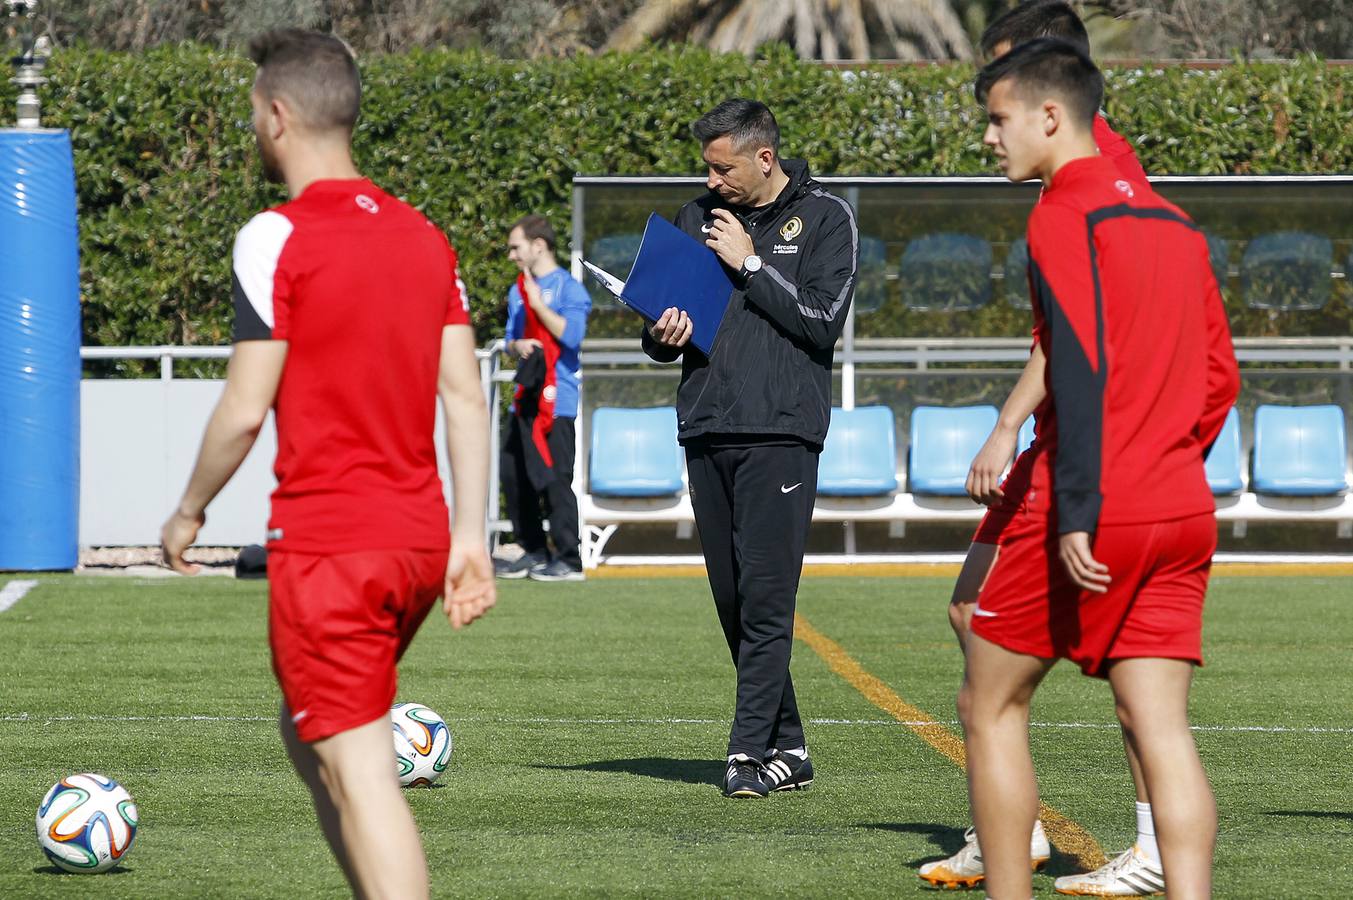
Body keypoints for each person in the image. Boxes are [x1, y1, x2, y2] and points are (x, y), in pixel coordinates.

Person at [159, 29, 496, 899]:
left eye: (251, 115)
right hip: (417, 542)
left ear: (275, 116)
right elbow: (464, 396)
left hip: (333, 547)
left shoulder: (275, 237)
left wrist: (188, 510)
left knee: (360, 766)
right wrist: (470, 540)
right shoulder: (425, 237)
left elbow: (242, 409)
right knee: (308, 733)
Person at [955, 38, 1239, 900]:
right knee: (1163, 732)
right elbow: (1222, 379)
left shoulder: (1059, 213)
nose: (989, 139)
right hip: (1181, 508)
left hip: (1089, 505)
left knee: (988, 705)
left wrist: (1080, 501)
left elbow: (1072, 358)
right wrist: (1165, 465)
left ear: (1050, 115)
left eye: (997, 120)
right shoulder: (1176, 223)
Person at [918, 3, 1161, 893]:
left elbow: (1078, 337)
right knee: (969, 613)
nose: (989, 116)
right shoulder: (1069, 184)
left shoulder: (1098, 177)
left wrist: (1008, 420)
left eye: (998, 95)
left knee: (1133, 671)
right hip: (1064, 439)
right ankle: (1008, 828)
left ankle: (1147, 844)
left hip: (1085, 452)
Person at [643, 99, 857, 798]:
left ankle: (743, 756)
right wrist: (662, 332)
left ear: (763, 158)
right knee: (734, 603)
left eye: (721, 167)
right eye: (705, 167)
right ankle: (788, 748)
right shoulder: (692, 218)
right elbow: (660, 328)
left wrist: (752, 263)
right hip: (705, 423)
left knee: (766, 601)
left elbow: (822, 323)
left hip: (781, 431)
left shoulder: (826, 217)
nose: (709, 182)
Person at [494, 214, 592, 582]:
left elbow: (572, 336)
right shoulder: (516, 290)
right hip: (524, 398)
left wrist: (538, 306)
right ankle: (533, 550)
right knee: (513, 472)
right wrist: (514, 344)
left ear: (539, 245)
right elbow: (508, 340)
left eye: (515, 247)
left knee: (554, 477)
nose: (511, 256)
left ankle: (568, 558)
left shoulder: (569, 289)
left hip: (557, 400)